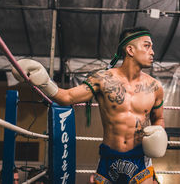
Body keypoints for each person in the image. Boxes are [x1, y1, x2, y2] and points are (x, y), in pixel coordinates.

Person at [12, 27, 167, 184]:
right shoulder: (103, 79)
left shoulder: (155, 87)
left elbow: (159, 118)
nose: (153, 52)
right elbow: (67, 97)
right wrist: (45, 83)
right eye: (147, 46)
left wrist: (159, 130)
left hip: (140, 159)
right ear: (130, 50)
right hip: (109, 158)